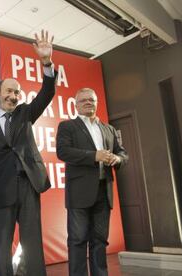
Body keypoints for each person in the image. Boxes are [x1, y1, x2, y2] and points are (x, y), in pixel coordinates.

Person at [0, 30, 55, 276]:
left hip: (28, 187)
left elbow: (47, 93)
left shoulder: (25, 113)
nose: (13, 96)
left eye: (17, 92)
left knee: (33, 247)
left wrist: (46, 61)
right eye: (8, 91)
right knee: (1, 247)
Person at [56, 87, 128, 276]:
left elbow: (122, 152)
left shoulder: (109, 128)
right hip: (79, 193)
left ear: (97, 103)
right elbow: (63, 152)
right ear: (76, 104)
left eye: (91, 99)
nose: (88, 102)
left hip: (104, 191)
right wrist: (94, 155)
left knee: (100, 240)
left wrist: (118, 159)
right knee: (78, 240)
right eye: (83, 100)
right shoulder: (67, 126)